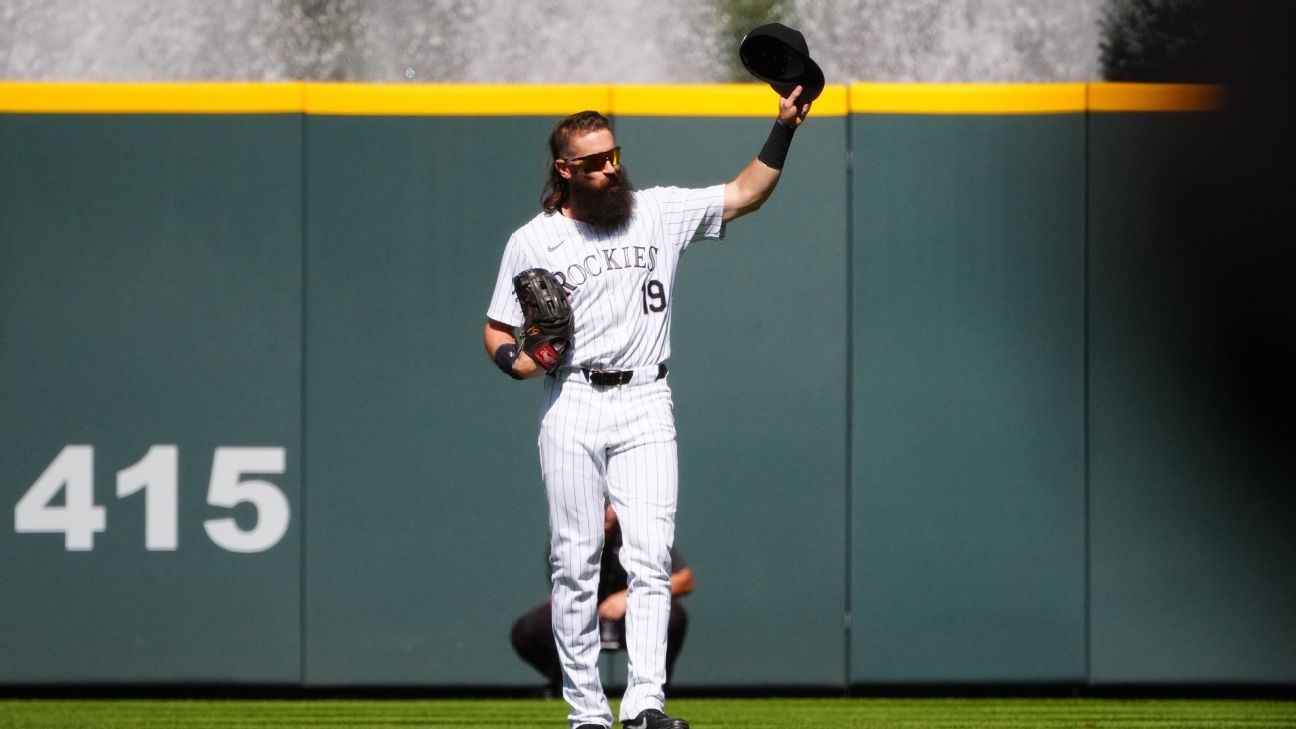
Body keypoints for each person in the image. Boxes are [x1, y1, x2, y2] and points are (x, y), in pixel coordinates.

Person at [484, 86, 812, 729]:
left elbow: (745, 192)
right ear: (566, 169)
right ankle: (585, 715)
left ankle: (645, 706)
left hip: (646, 398)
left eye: (614, 154)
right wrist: (518, 362)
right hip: (573, 398)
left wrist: (784, 129)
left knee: (651, 556)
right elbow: (498, 328)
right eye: (596, 161)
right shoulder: (532, 240)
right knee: (575, 563)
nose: (611, 167)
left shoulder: (655, 211)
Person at [511, 505, 693, 696]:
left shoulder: (640, 530)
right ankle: (568, 686)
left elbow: (684, 579)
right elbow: (558, 596)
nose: (603, 511)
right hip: (582, 616)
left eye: (608, 505)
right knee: (528, 630)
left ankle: (651, 692)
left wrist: (629, 597)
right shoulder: (567, 536)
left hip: (633, 615)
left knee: (671, 616)